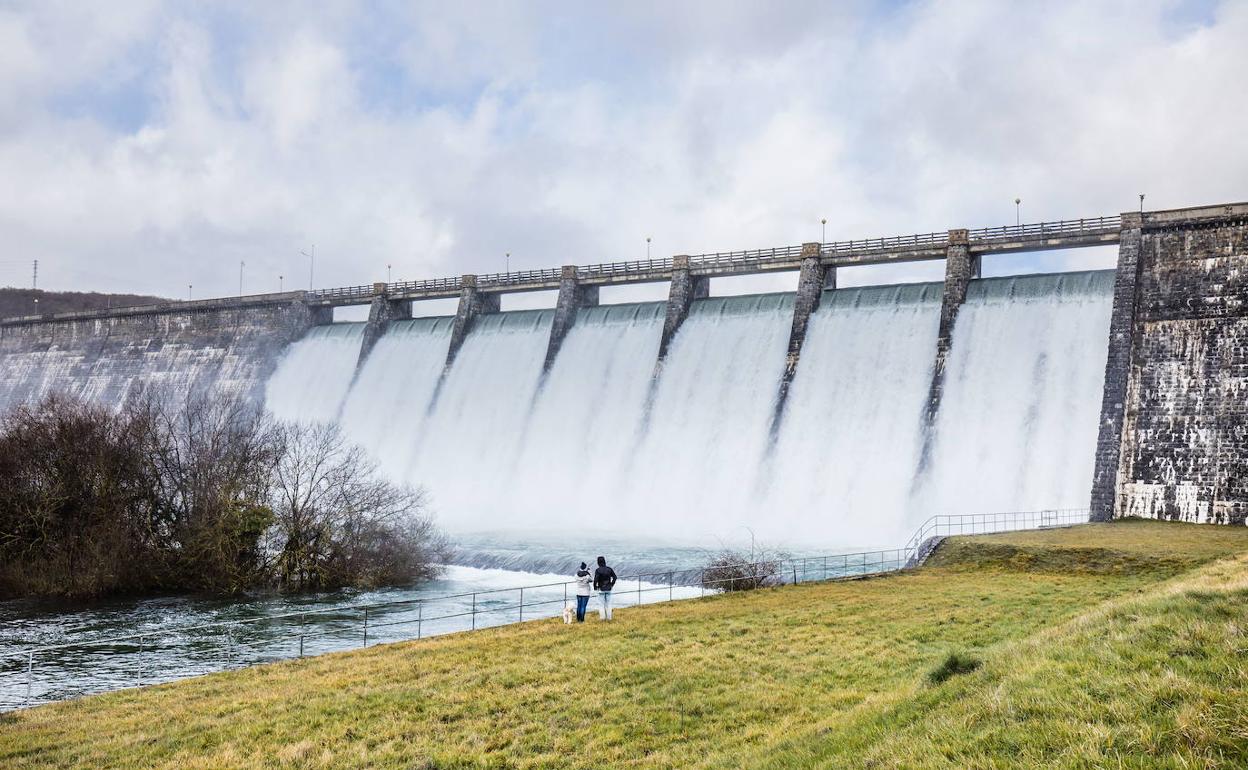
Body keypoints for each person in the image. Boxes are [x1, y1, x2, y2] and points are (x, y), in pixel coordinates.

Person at [593, 555, 617, 621]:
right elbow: (615, 577)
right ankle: (609, 618)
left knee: (601, 604)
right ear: (604, 561)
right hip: (609, 588)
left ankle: (602, 618)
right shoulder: (609, 569)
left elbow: (595, 580)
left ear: (598, 562)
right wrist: (612, 584)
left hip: (601, 589)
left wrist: (595, 587)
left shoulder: (598, 570)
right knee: (608, 604)